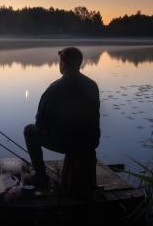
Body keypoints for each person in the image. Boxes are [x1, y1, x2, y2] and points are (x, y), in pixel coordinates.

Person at [23, 47, 100, 188]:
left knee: (29, 130)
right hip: (89, 142)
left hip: (69, 144)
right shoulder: (92, 85)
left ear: (63, 63)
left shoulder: (54, 88)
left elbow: (40, 124)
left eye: (59, 61)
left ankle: (40, 176)